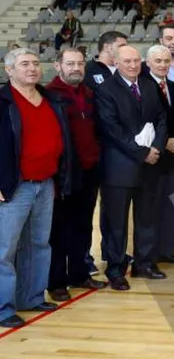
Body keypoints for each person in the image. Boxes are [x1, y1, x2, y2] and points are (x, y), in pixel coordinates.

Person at [0, 49, 73, 328]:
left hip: (45, 183)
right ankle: (3, 308)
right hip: (14, 186)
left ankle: (31, 297)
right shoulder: (3, 101)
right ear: (9, 70)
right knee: (5, 250)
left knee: (38, 243)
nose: (32, 68)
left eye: (35, 63)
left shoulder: (50, 99)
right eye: (24, 64)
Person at [94, 46, 168, 290]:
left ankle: (144, 264)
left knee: (147, 218)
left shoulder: (148, 85)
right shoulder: (105, 90)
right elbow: (111, 129)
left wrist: (156, 148)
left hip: (150, 166)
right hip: (119, 167)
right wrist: (142, 152)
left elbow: (161, 119)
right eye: (127, 61)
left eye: (137, 60)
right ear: (116, 62)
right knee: (116, 223)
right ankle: (116, 270)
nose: (133, 65)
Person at [45, 48, 107, 302]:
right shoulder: (50, 95)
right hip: (65, 173)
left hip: (89, 170)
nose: (76, 68)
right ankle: (57, 281)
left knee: (83, 226)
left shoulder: (89, 93)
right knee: (60, 230)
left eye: (80, 64)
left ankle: (80, 274)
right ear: (58, 65)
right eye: (70, 64)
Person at [142, 46, 174, 267]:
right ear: (148, 63)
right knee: (151, 207)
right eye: (158, 61)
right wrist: (165, 142)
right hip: (152, 154)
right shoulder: (142, 86)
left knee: (170, 204)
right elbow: (144, 121)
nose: (162, 65)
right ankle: (150, 255)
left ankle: (167, 250)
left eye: (166, 61)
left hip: (173, 156)